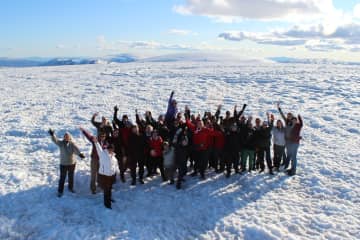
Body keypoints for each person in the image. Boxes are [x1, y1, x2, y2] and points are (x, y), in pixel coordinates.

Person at [48, 129, 85, 197]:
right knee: (62, 178)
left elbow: (76, 150)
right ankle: (60, 191)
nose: (66, 137)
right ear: (64, 137)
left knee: (71, 177)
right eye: (65, 136)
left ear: (70, 137)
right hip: (63, 164)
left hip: (72, 164)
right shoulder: (61, 143)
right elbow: (55, 140)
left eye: (67, 136)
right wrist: (52, 135)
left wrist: (80, 154)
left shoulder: (72, 144)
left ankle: (70, 188)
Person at [80, 128, 109, 194]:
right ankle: (93, 189)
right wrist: (84, 131)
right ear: (99, 135)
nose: (103, 137)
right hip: (94, 160)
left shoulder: (105, 143)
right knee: (93, 174)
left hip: (101, 160)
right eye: (101, 136)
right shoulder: (95, 140)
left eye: (104, 136)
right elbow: (89, 136)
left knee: (100, 173)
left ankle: (100, 185)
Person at [94, 141, 118, 209]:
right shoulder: (103, 154)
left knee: (109, 189)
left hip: (111, 176)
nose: (110, 150)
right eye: (109, 149)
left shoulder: (114, 157)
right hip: (104, 176)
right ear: (107, 149)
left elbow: (115, 165)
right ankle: (107, 204)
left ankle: (109, 198)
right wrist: (96, 142)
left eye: (112, 149)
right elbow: (98, 148)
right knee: (106, 190)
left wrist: (116, 172)